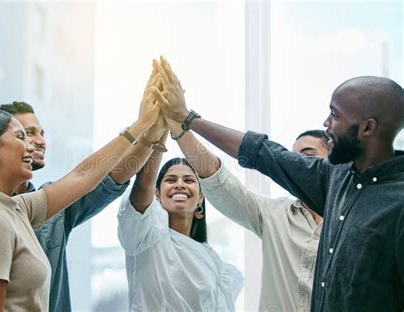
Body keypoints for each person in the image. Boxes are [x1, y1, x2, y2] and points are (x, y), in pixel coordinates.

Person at [152, 56, 404, 311]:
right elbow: (262, 153)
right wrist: (186, 118)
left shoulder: (396, 202)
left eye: (335, 115)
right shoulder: (332, 181)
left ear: (367, 127)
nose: (327, 124)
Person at [0, 72, 164, 311]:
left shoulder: (17, 209)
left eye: (39, 134)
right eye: (22, 135)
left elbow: (84, 175)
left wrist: (146, 126)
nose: (34, 144)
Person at [168, 115, 328, 311]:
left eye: (308, 156)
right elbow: (219, 183)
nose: (297, 165)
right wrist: (180, 128)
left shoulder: (353, 221)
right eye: (293, 158)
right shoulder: (274, 214)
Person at [118, 141, 243, 311]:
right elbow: (143, 184)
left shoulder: (212, 261)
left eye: (189, 180)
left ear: (200, 197)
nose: (180, 184)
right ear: (157, 195)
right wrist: (157, 135)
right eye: (170, 180)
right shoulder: (145, 237)